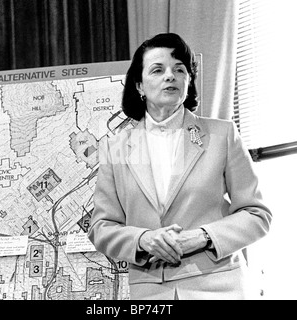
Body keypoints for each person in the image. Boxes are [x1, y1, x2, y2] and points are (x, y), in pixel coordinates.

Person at [88, 33, 272, 300]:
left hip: (219, 285)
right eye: (158, 70)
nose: (170, 76)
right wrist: (143, 240)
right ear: (139, 86)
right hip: (150, 291)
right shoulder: (116, 147)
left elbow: (257, 214)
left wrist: (203, 236)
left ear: (189, 80)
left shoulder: (223, 135)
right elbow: (101, 227)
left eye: (179, 69)